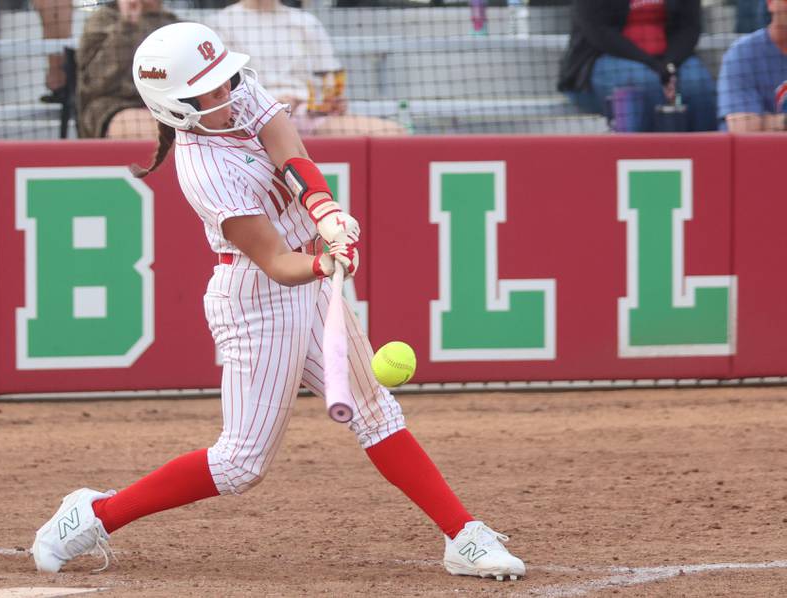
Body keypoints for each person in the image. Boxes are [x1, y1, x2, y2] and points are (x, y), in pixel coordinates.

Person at [30, 22, 525, 582]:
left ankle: (463, 535)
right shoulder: (204, 171)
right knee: (241, 464)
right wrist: (324, 260)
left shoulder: (235, 90)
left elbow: (286, 142)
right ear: (176, 108)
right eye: (208, 94)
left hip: (307, 280)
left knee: (375, 412)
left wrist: (324, 209)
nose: (226, 96)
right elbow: (275, 262)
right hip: (256, 301)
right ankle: (94, 514)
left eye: (226, 82)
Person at [212, 0, 406, 136]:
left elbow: (328, 82)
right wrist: (271, 103)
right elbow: (222, 91)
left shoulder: (306, 22)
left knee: (393, 132)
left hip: (308, 115)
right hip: (251, 118)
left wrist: (331, 102)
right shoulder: (221, 23)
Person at [557, 0, 717, 132]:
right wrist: (651, 64)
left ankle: (702, 155)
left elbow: (689, 27)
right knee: (644, 81)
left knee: (698, 83)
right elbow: (599, 32)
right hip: (606, 56)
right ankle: (645, 155)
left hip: (672, 57)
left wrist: (670, 64)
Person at [76, 0, 177, 139]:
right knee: (163, 133)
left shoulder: (173, 23)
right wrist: (128, 24)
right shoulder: (103, 20)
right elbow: (95, 83)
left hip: (166, 103)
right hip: (114, 104)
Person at [718, 0, 787, 132]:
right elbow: (743, 128)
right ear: (770, 3)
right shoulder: (742, 53)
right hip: (761, 151)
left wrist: (766, 121)